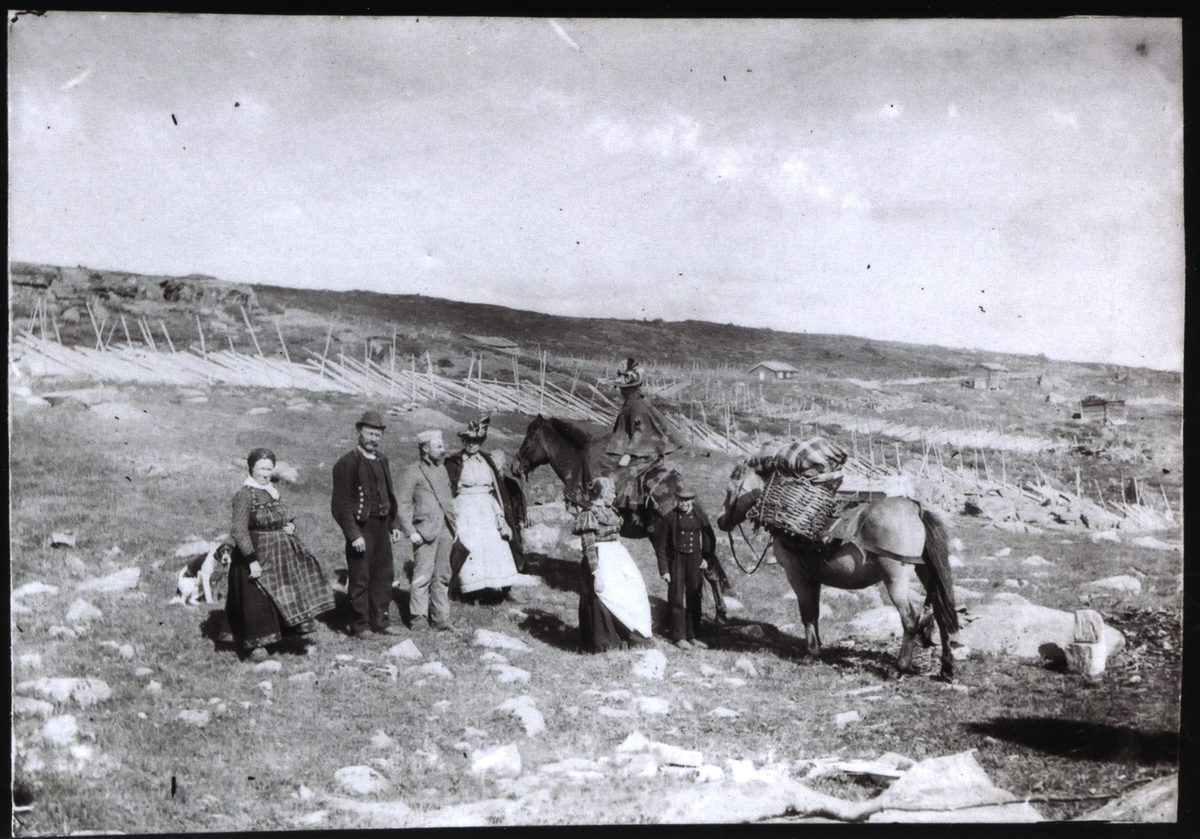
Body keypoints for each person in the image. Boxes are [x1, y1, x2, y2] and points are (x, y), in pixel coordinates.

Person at [224, 448, 336, 662]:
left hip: (280, 553)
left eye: (269, 468)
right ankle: (256, 646)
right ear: (251, 469)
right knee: (257, 597)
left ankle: (281, 638)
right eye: (261, 469)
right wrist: (251, 560)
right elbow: (239, 529)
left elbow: (284, 516)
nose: (266, 473)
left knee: (282, 595)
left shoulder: (273, 492)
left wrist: (290, 526)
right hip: (255, 554)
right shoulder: (244, 495)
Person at [331, 410, 403, 637]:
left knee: (384, 574)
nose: (374, 438)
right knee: (360, 576)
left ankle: (380, 620)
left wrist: (394, 525)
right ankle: (359, 623)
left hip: (382, 526)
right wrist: (354, 534)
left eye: (378, 434)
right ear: (359, 431)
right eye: (370, 433)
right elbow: (340, 504)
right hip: (362, 527)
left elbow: (389, 496)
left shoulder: (383, 459)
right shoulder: (347, 463)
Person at [443, 417, 524, 596]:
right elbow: (449, 489)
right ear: (463, 441)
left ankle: (503, 588)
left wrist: (499, 513)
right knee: (470, 544)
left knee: (494, 544)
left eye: (476, 441)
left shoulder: (487, 461)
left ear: (481, 442)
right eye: (468, 441)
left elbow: (494, 489)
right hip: (465, 508)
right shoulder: (455, 461)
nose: (471, 445)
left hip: (486, 508)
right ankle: (469, 589)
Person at [572, 476, 653, 652]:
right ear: (600, 493)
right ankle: (605, 641)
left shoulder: (611, 511)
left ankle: (630, 633)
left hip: (617, 557)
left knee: (631, 590)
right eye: (611, 492)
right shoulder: (589, 514)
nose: (614, 495)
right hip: (601, 560)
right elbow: (588, 547)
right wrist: (596, 572)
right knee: (604, 594)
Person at [396, 429, 458, 631]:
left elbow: (448, 501)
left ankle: (441, 619)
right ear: (425, 448)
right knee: (422, 576)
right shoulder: (412, 471)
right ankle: (418, 619)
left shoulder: (442, 470)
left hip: (445, 530)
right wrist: (410, 531)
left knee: (442, 576)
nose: (443, 450)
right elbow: (402, 504)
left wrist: (454, 527)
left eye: (443, 446)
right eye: (438, 446)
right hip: (424, 532)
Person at [604, 358, 683, 510]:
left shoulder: (636, 405)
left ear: (630, 388)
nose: (620, 390)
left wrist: (628, 454)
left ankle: (623, 508)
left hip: (644, 453)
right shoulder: (631, 403)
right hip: (642, 451)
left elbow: (641, 430)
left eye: (623, 387)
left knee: (619, 477)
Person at [653, 486, 719, 650]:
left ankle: (693, 635)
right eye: (680, 499)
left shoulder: (699, 517)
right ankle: (679, 636)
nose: (683, 503)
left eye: (687, 499)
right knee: (676, 597)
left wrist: (706, 558)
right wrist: (664, 570)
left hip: (695, 560)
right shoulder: (669, 518)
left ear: (693, 500)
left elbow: (709, 538)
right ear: (676, 499)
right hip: (676, 561)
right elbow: (660, 546)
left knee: (694, 597)